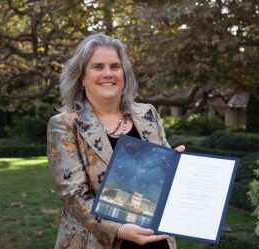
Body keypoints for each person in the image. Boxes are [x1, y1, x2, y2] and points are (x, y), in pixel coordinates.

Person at [47, 33, 185, 249]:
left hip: (154, 239)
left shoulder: (148, 114)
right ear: (82, 77)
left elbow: (163, 180)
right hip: (98, 241)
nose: (108, 74)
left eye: (115, 66)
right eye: (98, 67)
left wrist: (177, 165)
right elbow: (73, 196)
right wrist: (118, 229)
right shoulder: (65, 125)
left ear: (124, 74)